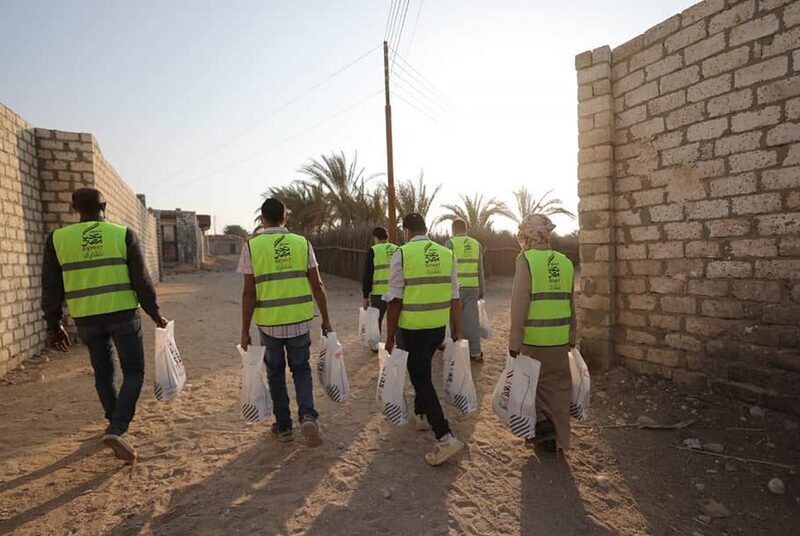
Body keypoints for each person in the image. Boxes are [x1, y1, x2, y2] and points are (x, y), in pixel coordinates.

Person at [41, 188, 167, 462]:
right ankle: (118, 427)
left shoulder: (58, 239)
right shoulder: (122, 235)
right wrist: (154, 313)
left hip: (86, 318)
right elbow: (142, 281)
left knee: (103, 371)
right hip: (123, 315)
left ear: (73, 207)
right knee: (133, 371)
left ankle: (113, 421)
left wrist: (54, 325)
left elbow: (51, 287)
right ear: (105, 206)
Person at [239, 197, 332, 448]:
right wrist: (326, 320)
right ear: (286, 217)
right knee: (301, 369)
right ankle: (308, 415)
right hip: (300, 322)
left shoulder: (252, 246)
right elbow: (317, 284)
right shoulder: (302, 243)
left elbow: (249, 293)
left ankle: (284, 427)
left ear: (262, 219)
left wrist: (245, 330)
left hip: (269, 324)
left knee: (275, 373)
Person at [385, 213, 465, 466]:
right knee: (423, 371)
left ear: (406, 230)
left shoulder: (403, 253)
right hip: (436, 328)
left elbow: (395, 299)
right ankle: (420, 414)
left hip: (412, 329)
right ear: (425, 228)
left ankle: (444, 436)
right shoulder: (446, 254)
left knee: (421, 379)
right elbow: (454, 296)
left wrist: (389, 336)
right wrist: (457, 329)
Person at [508, 214, 576, 453]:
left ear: (527, 236)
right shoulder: (565, 262)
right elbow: (570, 302)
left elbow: (519, 304)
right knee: (557, 389)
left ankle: (540, 429)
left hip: (534, 340)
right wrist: (571, 335)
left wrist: (514, 341)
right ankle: (559, 436)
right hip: (558, 340)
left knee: (532, 388)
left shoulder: (526, 260)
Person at [445, 218, 486, 361]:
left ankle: (456, 351)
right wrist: (482, 290)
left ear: (453, 229)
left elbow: (446, 268)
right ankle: (475, 352)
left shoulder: (450, 243)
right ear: (465, 228)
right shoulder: (476, 244)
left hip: (455, 288)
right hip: (473, 286)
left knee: (453, 320)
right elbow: (480, 269)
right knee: (472, 320)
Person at [361, 226, 397, 346]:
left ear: (375, 238)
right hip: (396, 292)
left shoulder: (373, 250)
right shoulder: (398, 249)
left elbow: (368, 274)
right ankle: (396, 345)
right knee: (396, 320)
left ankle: (376, 345)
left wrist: (365, 296)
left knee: (377, 320)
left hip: (379, 293)